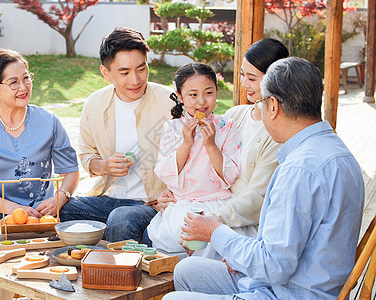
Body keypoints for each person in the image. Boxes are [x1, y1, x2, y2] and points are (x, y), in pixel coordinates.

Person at [163, 57, 365, 300]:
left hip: (286, 293)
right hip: (294, 281)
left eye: (258, 103)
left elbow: (274, 267)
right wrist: (238, 253)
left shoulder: (300, 169)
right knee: (186, 270)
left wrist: (215, 231)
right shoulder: (335, 149)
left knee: (172, 299)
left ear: (273, 106)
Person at [154, 39, 289, 254]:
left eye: (251, 78)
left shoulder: (274, 133)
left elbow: (255, 199)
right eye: (242, 75)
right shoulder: (236, 115)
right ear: (179, 96)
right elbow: (179, 167)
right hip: (189, 205)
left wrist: (210, 221)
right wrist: (172, 194)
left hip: (231, 214)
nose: (244, 84)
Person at [59, 27, 174, 242]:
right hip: (108, 198)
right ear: (106, 72)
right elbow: (86, 156)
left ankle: (114, 274)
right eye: (124, 72)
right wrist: (104, 166)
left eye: (142, 68)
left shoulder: (171, 102)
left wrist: (176, 196)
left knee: (121, 219)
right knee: (61, 211)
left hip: (152, 202)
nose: (135, 80)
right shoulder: (95, 104)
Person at [0, 49, 80, 239]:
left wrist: (60, 197)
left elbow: (71, 171)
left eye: (26, 78)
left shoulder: (48, 121)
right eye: (14, 82)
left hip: (41, 214)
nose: (23, 87)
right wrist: (15, 210)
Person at [146, 63, 241, 254]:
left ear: (216, 92)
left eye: (208, 93)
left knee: (218, 238)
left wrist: (211, 144)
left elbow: (230, 174)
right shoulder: (172, 128)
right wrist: (186, 143)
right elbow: (166, 171)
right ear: (180, 96)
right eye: (193, 95)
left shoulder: (226, 126)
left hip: (217, 201)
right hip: (184, 203)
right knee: (179, 234)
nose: (201, 102)